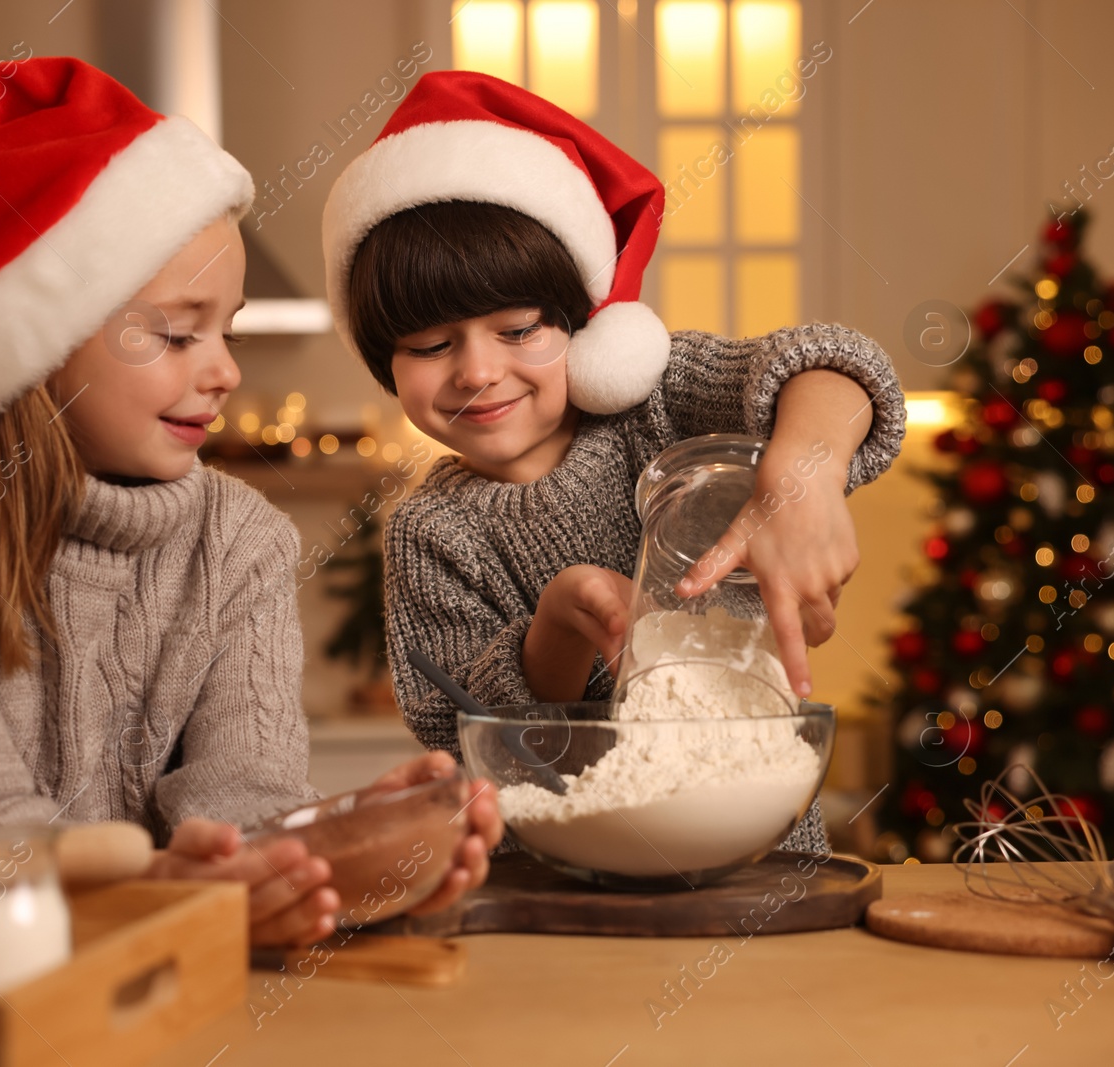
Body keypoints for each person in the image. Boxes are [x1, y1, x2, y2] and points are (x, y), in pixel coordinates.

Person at [0, 58, 501, 946]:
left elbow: (241, 797)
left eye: (228, 327)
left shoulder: (240, 539)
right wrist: (167, 882)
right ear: (37, 350)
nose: (225, 370)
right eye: (175, 332)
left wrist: (327, 849)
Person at [321, 71, 906, 853]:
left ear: (587, 329)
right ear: (385, 364)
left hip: (764, 856)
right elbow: (469, 738)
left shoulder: (657, 404)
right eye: (431, 345)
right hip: (571, 892)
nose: (476, 371)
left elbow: (838, 365)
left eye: (520, 328)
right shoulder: (432, 532)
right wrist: (558, 625)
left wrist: (804, 476)